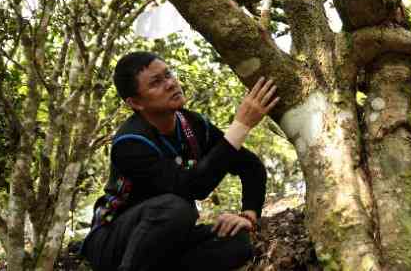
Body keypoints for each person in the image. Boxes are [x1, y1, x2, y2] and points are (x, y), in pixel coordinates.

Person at [81, 51, 279, 271]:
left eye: (168, 74)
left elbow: (250, 166)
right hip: (113, 241)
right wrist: (240, 126)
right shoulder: (130, 143)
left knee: (237, 242)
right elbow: (193, 187)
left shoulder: (192, 124)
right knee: (176, 208)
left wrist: (248, 216)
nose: (170, 84)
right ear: (136, 102)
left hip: (166, 239)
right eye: (156, 82)